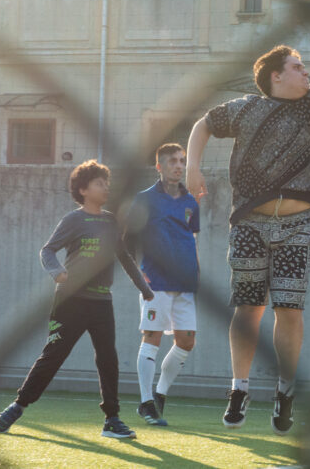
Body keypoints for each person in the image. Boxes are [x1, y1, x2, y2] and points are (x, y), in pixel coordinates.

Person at [184, 0, 310, 435]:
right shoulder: (246, 108)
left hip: (297, 225)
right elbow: (202, 124)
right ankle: (239, 387)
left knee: (290, 310)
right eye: (298, 66)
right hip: (248, 223)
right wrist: (192, 169)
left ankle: (285, 392)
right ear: (277, 75)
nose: (307, 72)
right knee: (247, 309)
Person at [0, 160, 154, 440]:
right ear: (83, 189)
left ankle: (112, 420)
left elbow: (123, 256)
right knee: (53, 356)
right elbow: (48, 250)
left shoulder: (111, 221)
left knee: (108, 360)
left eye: (107, 182)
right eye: (99, 183)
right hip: (71, 301)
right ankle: (17, 406)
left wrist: (144, 288)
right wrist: (57, 272)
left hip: (102, 303)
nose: (106, 188)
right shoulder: (73, 220)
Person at [126, 143, 201, 426]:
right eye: (172, 161)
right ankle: (146, 403)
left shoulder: (191, 201)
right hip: (154, 282)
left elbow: (191, 240)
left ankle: (159, 395)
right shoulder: (143, 199)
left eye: (182, 161)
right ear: (159, 166)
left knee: (186, 341)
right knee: (153, 338)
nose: (179, 165)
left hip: (186, 284)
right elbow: (127, 242)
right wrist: (139, 277)